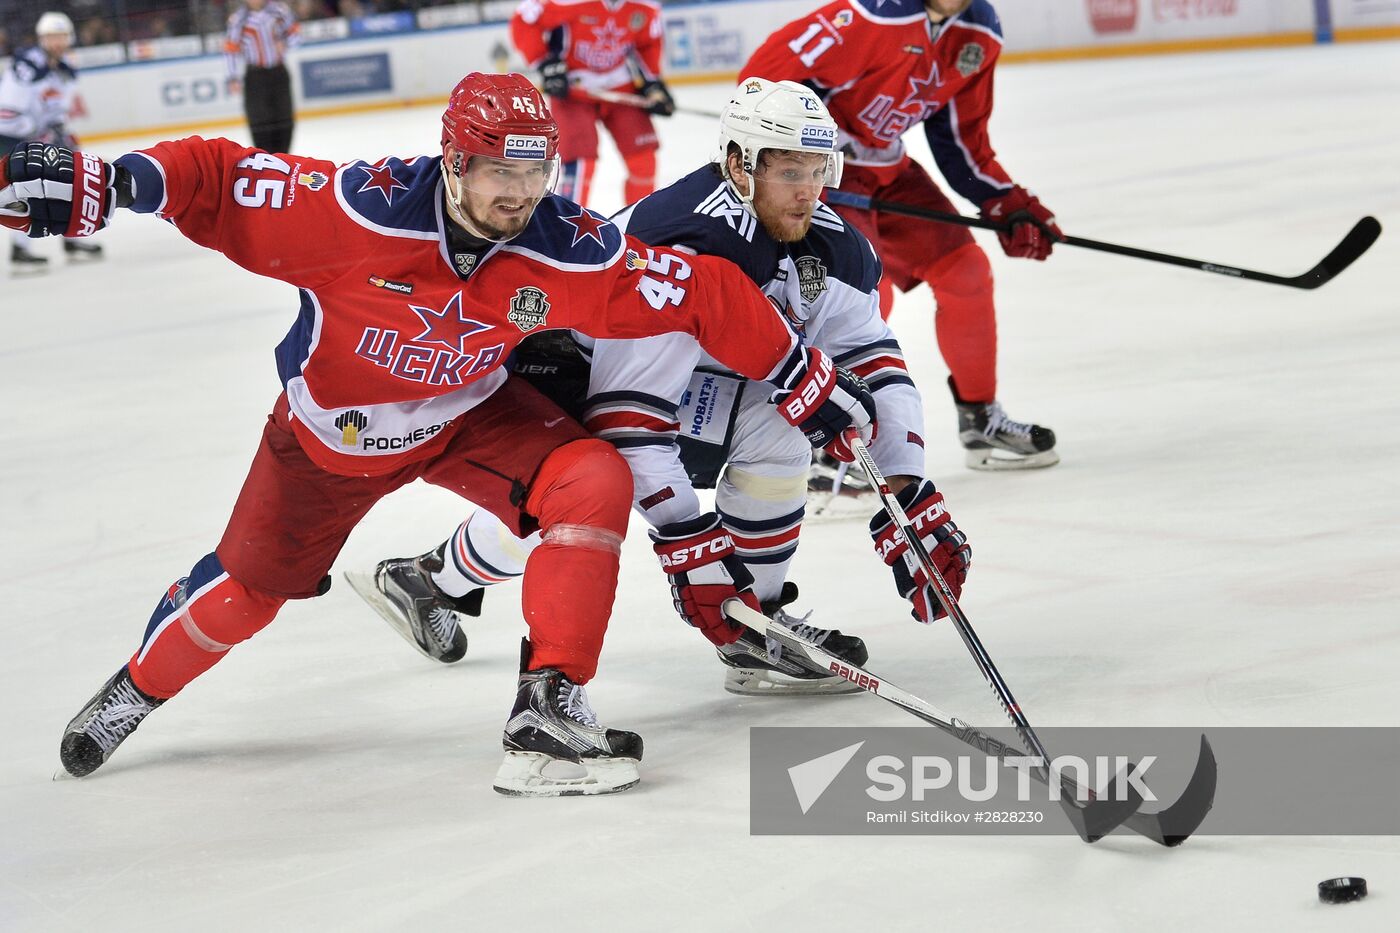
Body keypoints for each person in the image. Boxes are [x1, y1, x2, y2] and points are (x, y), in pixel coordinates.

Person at [0, 72, 874, 796]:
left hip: (469, 418)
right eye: (499, 171)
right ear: (453, 162)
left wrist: (805, 379)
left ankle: (548, 711)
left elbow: (702, 292)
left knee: (592, 477)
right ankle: (134, 688)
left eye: (536, 171)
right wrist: (109, 183)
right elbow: (217, 176)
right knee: (244, 595)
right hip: (331, 441)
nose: (520, 193)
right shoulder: (356, 211)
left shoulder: (562, 243)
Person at [349, 78, 972, 696]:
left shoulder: (833, 246)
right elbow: (629, 420)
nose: (808, 192)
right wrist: (686, 539)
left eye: (818, 170)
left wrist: (906, 483)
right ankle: (436, 579)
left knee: (780, 424)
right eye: (789, 172)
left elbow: (876, 363)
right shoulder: (684, 245)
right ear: (739, 165)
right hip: (566, 373)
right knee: (580, 490)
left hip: (680, 379)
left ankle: (756, 621)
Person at [743, 0, 1061, 471]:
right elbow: (760, 83)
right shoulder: (871, 15)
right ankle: (827, 439)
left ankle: (980, 417)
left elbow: (961, 140)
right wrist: (808, 156)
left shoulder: (980, 32)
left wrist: (1005, 202)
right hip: (826, 174)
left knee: (967, 272)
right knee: (860, 291)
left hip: (889, 171)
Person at [510, 0, 675, 207]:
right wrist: (546, 63)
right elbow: (523, 20)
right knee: (580, 164)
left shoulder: (646, 6)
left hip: (621, 87)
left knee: (643, 160)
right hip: (573, 91)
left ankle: (640, 222)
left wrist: (653, 84)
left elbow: (648, 43)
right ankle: (569, 223)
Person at [0, 11, 101, 272]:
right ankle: (20, 249)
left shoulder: (64, 67)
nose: (57, 42)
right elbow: (7, 114)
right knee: (26, 189)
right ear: (41, 38)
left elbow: (56, 107)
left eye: (62, 36)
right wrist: (37, 132)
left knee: (70, 178)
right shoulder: (27, 65)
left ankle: (71, 237)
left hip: (39, 134)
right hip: (11, 136)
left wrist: (58, 130)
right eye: (51, 37)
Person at [224, 0, 299, 153]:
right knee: (259, 120)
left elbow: (295, 35)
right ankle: (265, 158)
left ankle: (284, 157)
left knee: (284, 117)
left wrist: (286, 44)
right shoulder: (239, 19)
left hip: (279, 72)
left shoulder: (280, 11)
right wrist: (232, 77)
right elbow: (231, 49)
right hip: (256, 76)